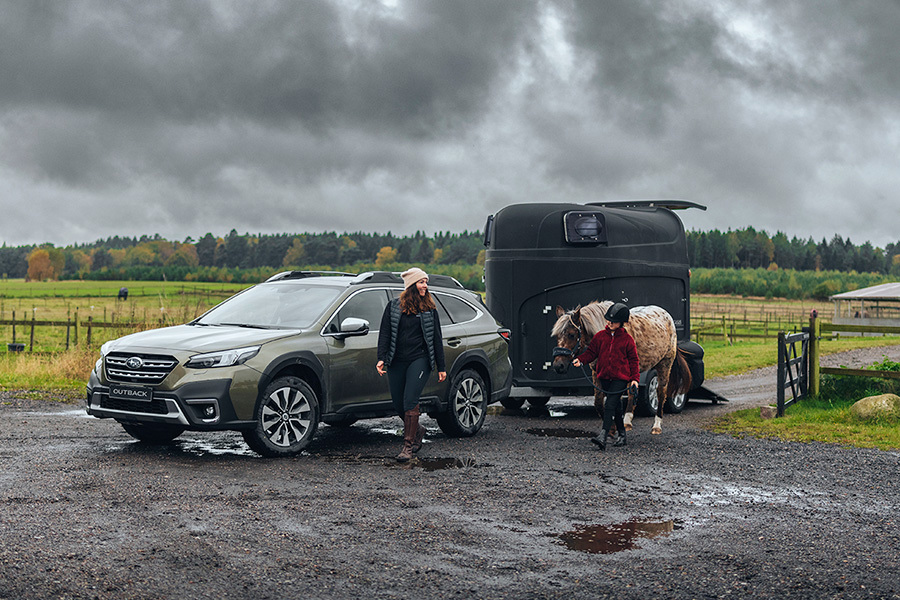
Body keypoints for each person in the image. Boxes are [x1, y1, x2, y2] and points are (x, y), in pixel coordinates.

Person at [376, 268, 447, 462]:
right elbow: (385, 334)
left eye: (426, 282)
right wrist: (381, 357)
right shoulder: (393, 307)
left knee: (410, 401)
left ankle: (408, 446)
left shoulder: (429, 309)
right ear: (411, 285)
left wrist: (441, 367)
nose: (425, 285)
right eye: (421, 282)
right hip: (397, 360)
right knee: (399, 404)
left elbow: (437, 339)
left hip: (420, 360)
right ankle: (418, 430)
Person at [572, 302, 640, 450]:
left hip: (620, 378)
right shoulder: (600, 337)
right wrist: (581, 360)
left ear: (621, 323)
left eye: (613, 321)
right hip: (604, 377)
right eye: (608, 320)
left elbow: (634, 361)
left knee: (609, 403)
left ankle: (604, 435)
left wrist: (635, 379)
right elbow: (591, 353)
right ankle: (622, 435)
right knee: (616, 408)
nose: (609, 323)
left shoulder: (628, 340)